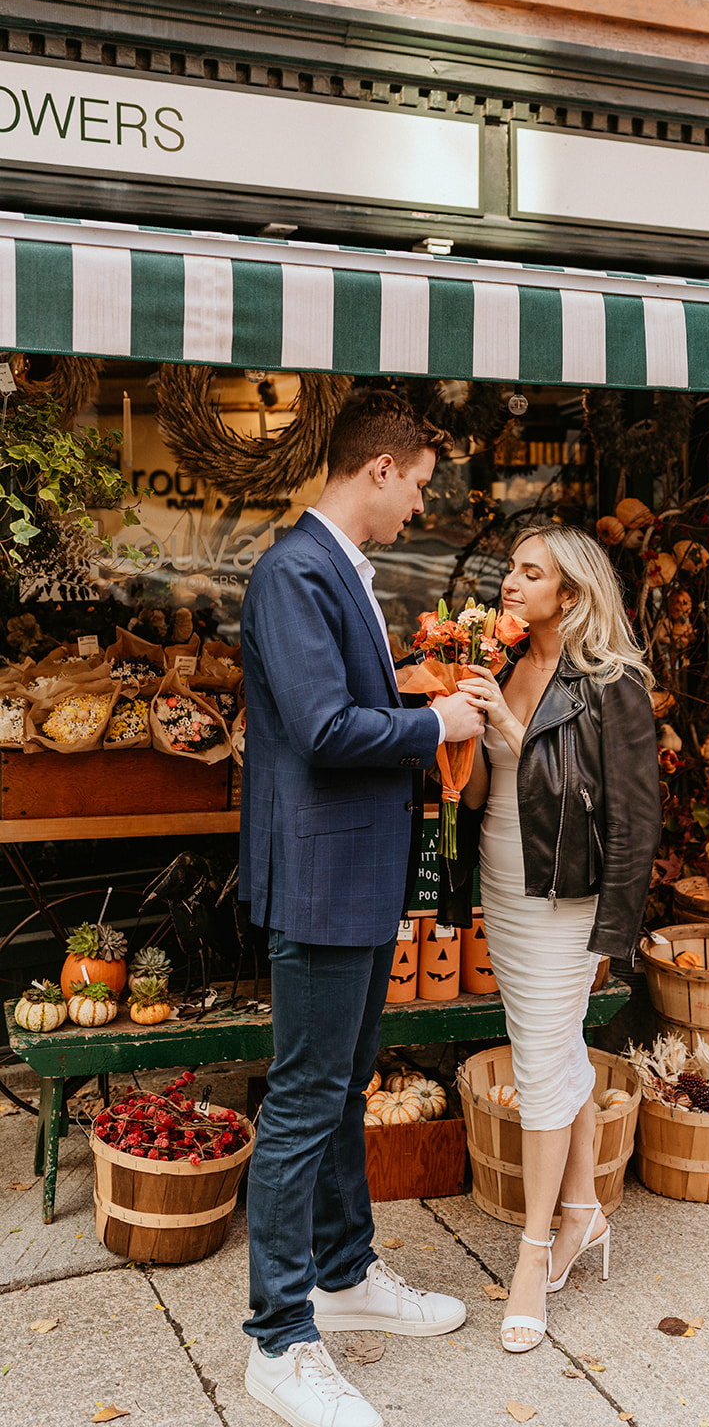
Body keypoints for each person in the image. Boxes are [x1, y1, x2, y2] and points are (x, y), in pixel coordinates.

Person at [239, 392, 485, 1427]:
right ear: (378, 468)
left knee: (341, 1088)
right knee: (303, 1100)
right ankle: (278, 1339)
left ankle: (343, 1278)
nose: (419, 504)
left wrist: (416, 688)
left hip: (352, 871)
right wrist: (435, 721)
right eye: (419, 482)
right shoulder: (295, 569)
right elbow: (327, 727)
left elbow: (345, 705)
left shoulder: (329, 566)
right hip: (320, 877)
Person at [461, 524, 660, 1355]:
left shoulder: (612, 686)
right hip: (503, 891)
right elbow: (477, 796)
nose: (510, 582)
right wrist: (460, 724)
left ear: (570, 595)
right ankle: (582, 1211)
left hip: (565, 904)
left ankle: (533, 1254)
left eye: (529, 572)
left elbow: (633, 821)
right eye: (510, 568)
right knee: (550, 1051)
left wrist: (612, 932)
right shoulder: (510, 667)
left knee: (542, 1066)